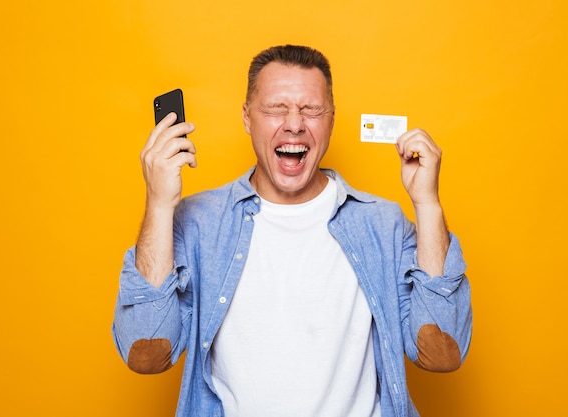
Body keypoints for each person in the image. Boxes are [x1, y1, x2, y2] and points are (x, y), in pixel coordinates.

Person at [113, 44, 472, 417]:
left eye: (311, 110)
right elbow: (147, 357)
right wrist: (158, 205)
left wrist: (428, 205)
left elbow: (443, 356)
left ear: (331, 120)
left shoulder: (381, 224)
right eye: (275, 109)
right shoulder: (200, 223)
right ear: (247, 118)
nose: (295, 124)